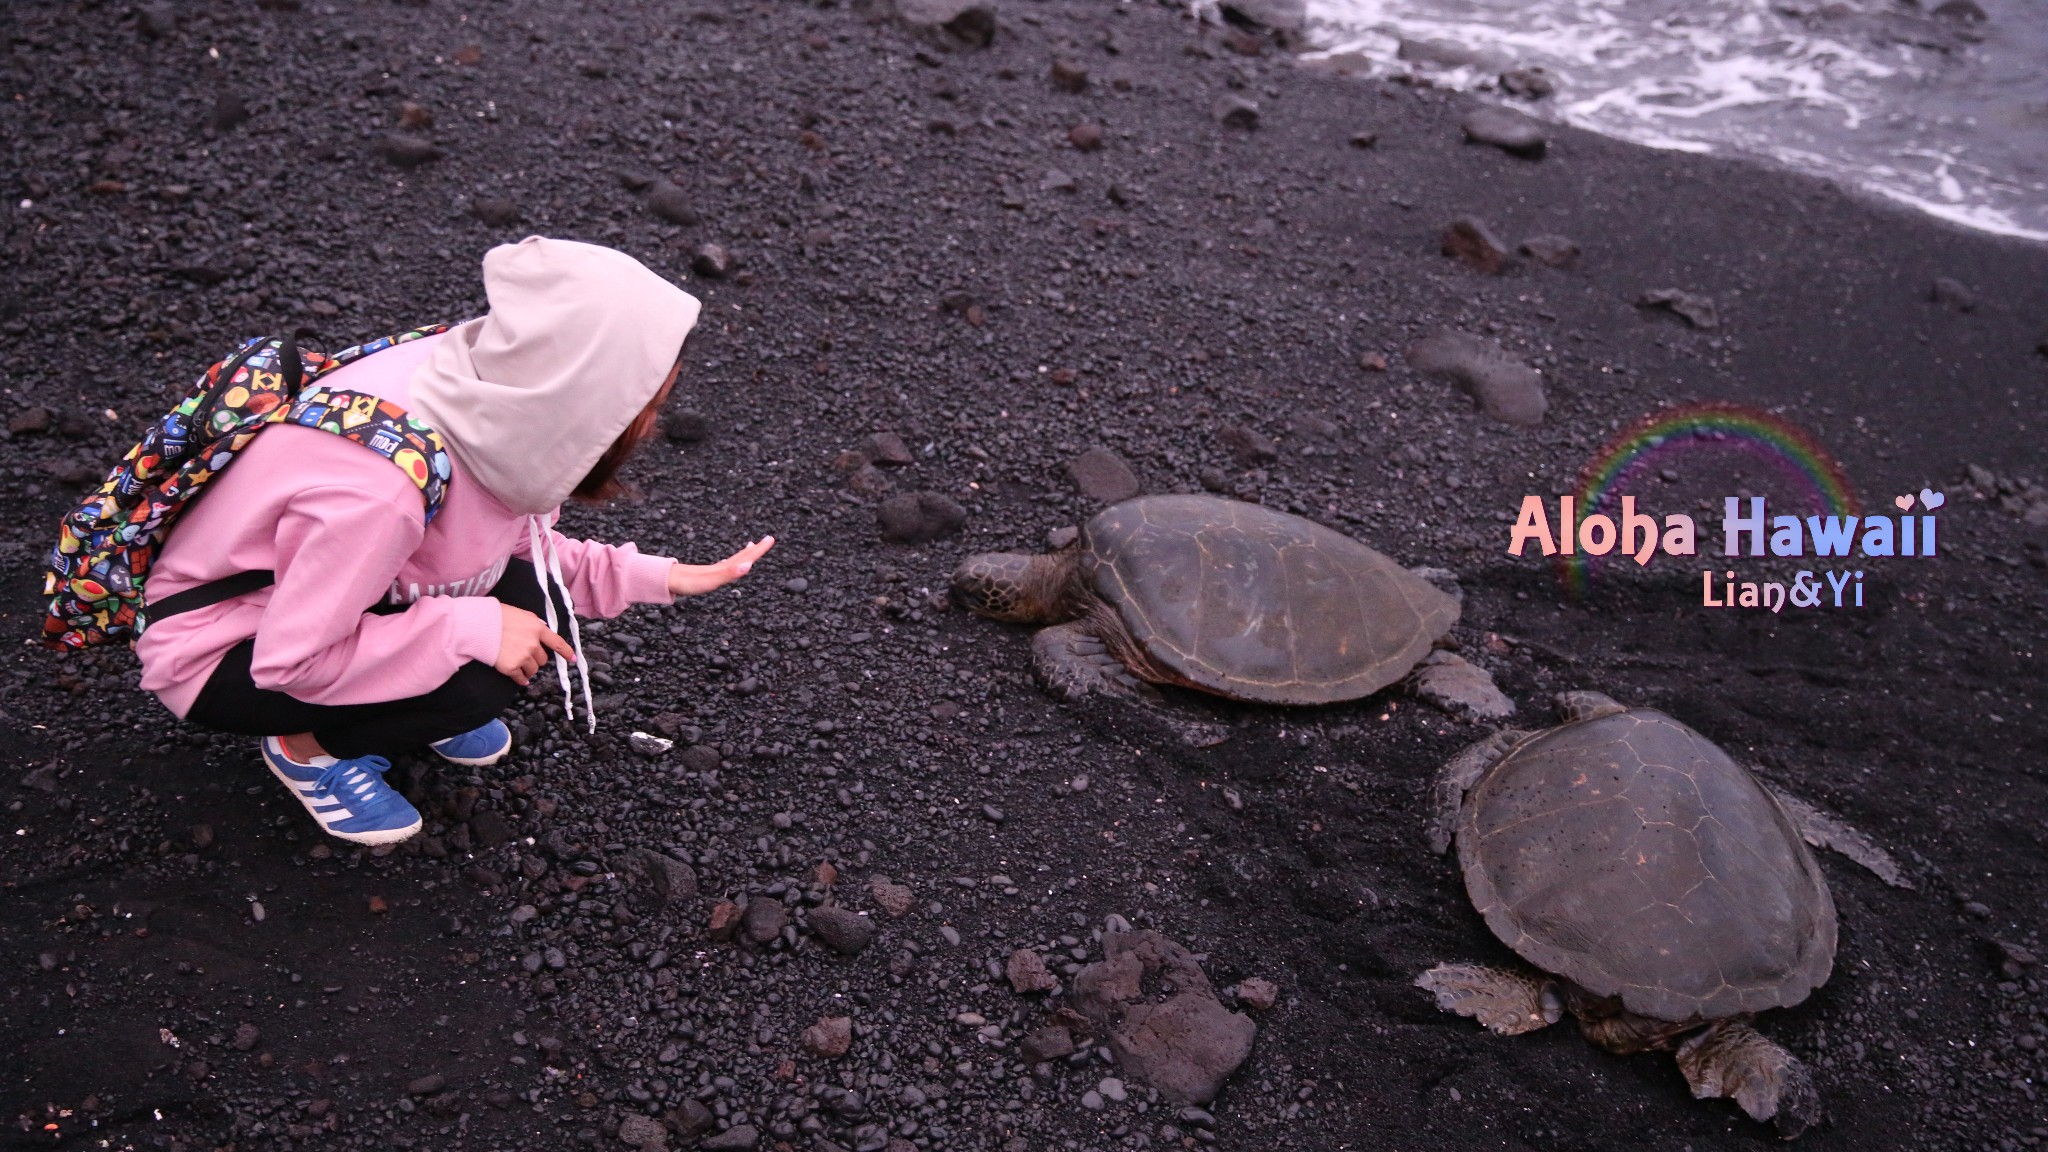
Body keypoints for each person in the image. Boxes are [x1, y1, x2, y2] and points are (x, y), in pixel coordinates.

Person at [133, 237, 772, 846]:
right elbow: (286, 663)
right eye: (641, 400)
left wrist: (662, 577)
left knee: (533, 606)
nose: (651, 419)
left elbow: (520, 547)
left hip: (320, 586)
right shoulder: (380, 494)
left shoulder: (483, 384)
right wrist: (464, 630)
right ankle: (307, 750)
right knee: (478, 681)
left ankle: (399, 693)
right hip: (224, 648)